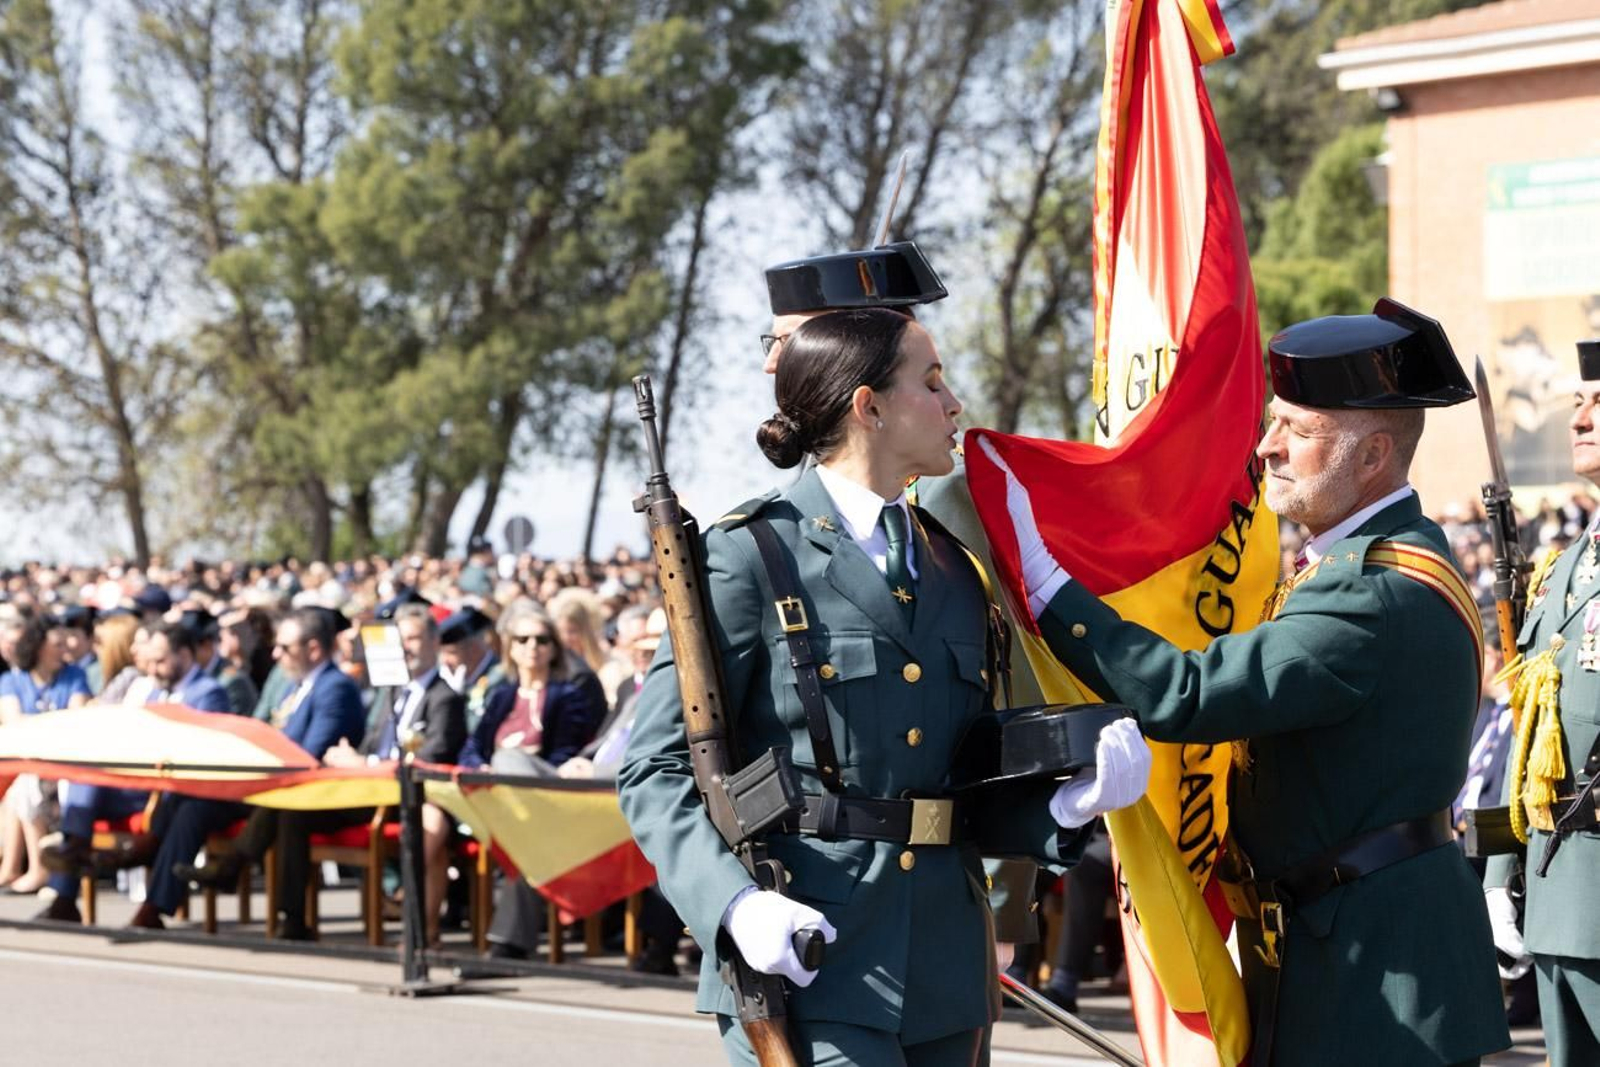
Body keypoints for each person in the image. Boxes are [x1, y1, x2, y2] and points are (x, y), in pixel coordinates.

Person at [978, 299, 1509, 1065]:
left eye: (1297, 430)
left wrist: (1050, 586)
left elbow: (1186, 695)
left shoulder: (1368, 590)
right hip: (1349, 938)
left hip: (1375, 969)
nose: (1266, 447)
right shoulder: (1365, 564)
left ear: (1373, 456)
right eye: (1273, 423)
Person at [619, 308, 1150, 1064]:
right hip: (810, 957)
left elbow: (959, 775)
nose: (954, 403)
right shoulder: (752, 556)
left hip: (946, 967)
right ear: (868, 406)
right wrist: (734, 905)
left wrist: (1061, 807)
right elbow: (654, 769)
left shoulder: (955, 566)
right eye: (931, 383)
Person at [761, 238, 1044, 960]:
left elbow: (995, 701)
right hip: (812, 911)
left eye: (787, 340)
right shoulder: (766, 530)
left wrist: (1000, 902)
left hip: (943, 904)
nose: (771, 362)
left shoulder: (943, 503)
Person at [1485, 339, 1600, 1066]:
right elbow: (1524, 725)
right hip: (1559, 889)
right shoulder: (1564, 567)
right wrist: (1499, 873)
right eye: (1581, 400)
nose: (1580, 413)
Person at [128, 608, 365, 935]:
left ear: (313, 648)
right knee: (193, 805)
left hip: (310, 790)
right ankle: (156, 903)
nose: (276, 653)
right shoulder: (293, 686)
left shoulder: (333, 686)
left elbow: (308, 754)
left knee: (287, 808)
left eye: (286, 647)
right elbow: (258, 728)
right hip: (267, 782)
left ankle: (240, 872)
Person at [35, 621, 231, 923]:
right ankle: (70, 866)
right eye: (149, 661)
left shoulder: (208, 693)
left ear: (184, 654)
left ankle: (146, 904)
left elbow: (198, 750)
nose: (152, 669)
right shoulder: (149, 689)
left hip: (171, 788)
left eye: (160, 661)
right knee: (86, 773)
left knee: (182, 809)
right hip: (134, 781)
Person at [468, 602, 609, 962]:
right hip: (498, 799)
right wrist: (481, 769)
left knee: (509, 761)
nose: (533, 646)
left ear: (553, 648)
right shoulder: (500, 696)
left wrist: (504, 764)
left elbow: (565, 754)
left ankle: (508, 944)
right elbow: (471, 748)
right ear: (510, 648)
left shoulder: (568, 695)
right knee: (501, 767)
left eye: (542, 639)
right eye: (524, 639)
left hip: (547, 795)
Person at [0, 615, 93, 894]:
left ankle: (29, 868)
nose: (66, 648)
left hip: (63, 761)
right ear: (39, 645)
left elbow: (77, 719)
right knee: (22, 782)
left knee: (22, 784)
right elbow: (12, 723)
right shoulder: (12, 679)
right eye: (58, 643)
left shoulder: (74, 676)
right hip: (28, 760)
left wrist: (37, 726)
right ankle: (18, 866)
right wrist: (51, 723)